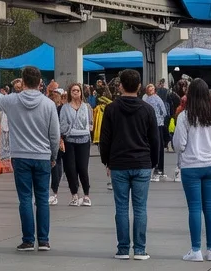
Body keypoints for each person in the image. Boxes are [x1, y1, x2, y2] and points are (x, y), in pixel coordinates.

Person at [0, 66, 59, 252]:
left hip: (20, 156)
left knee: (25, 199)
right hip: (42, 157)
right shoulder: (48, 105)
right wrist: (53, 156)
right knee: (42, 199)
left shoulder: (12, 101)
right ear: (40, 83)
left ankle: (28, 240)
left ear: (22, 82)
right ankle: (44, 241)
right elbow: (54, 134)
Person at [100, 68, 157, 260]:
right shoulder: (148, 109)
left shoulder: (111, 109)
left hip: (118, 163)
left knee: (121, 208)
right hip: (142, 163)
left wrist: (106, 160)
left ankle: (123, 249)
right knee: (140, 208)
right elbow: (154, 139)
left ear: (120, 86)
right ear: (140, 87)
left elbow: (105, 139)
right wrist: (153, 162)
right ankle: (140, 249)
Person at [174, 78, 211, 262]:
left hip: (191, 165)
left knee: (194, 208)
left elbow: (180, 144)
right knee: (210, 207)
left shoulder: (184, 116)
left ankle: (195, 249)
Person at [60, 82, 94, 206]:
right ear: (70, 92)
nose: (75, 92)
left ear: (81, 92)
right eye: (73, 90)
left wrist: (87, 130)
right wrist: (68, 131)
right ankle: (74, 194)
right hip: (70, 140)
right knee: (70, 169)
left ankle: (86, 195)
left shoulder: (86, 107)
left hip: (84, 140)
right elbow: (62, 124)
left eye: (77, 90)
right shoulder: (65, 108)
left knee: (83, 168)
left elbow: (90, 123)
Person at [144, 81, 169, 181]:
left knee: (154, 146)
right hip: (157, 124)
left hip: (153, 125)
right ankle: (159, 169)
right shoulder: (154, 99)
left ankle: (156, 169)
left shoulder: (147, 99)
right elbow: (164, 112)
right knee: (158, 146)